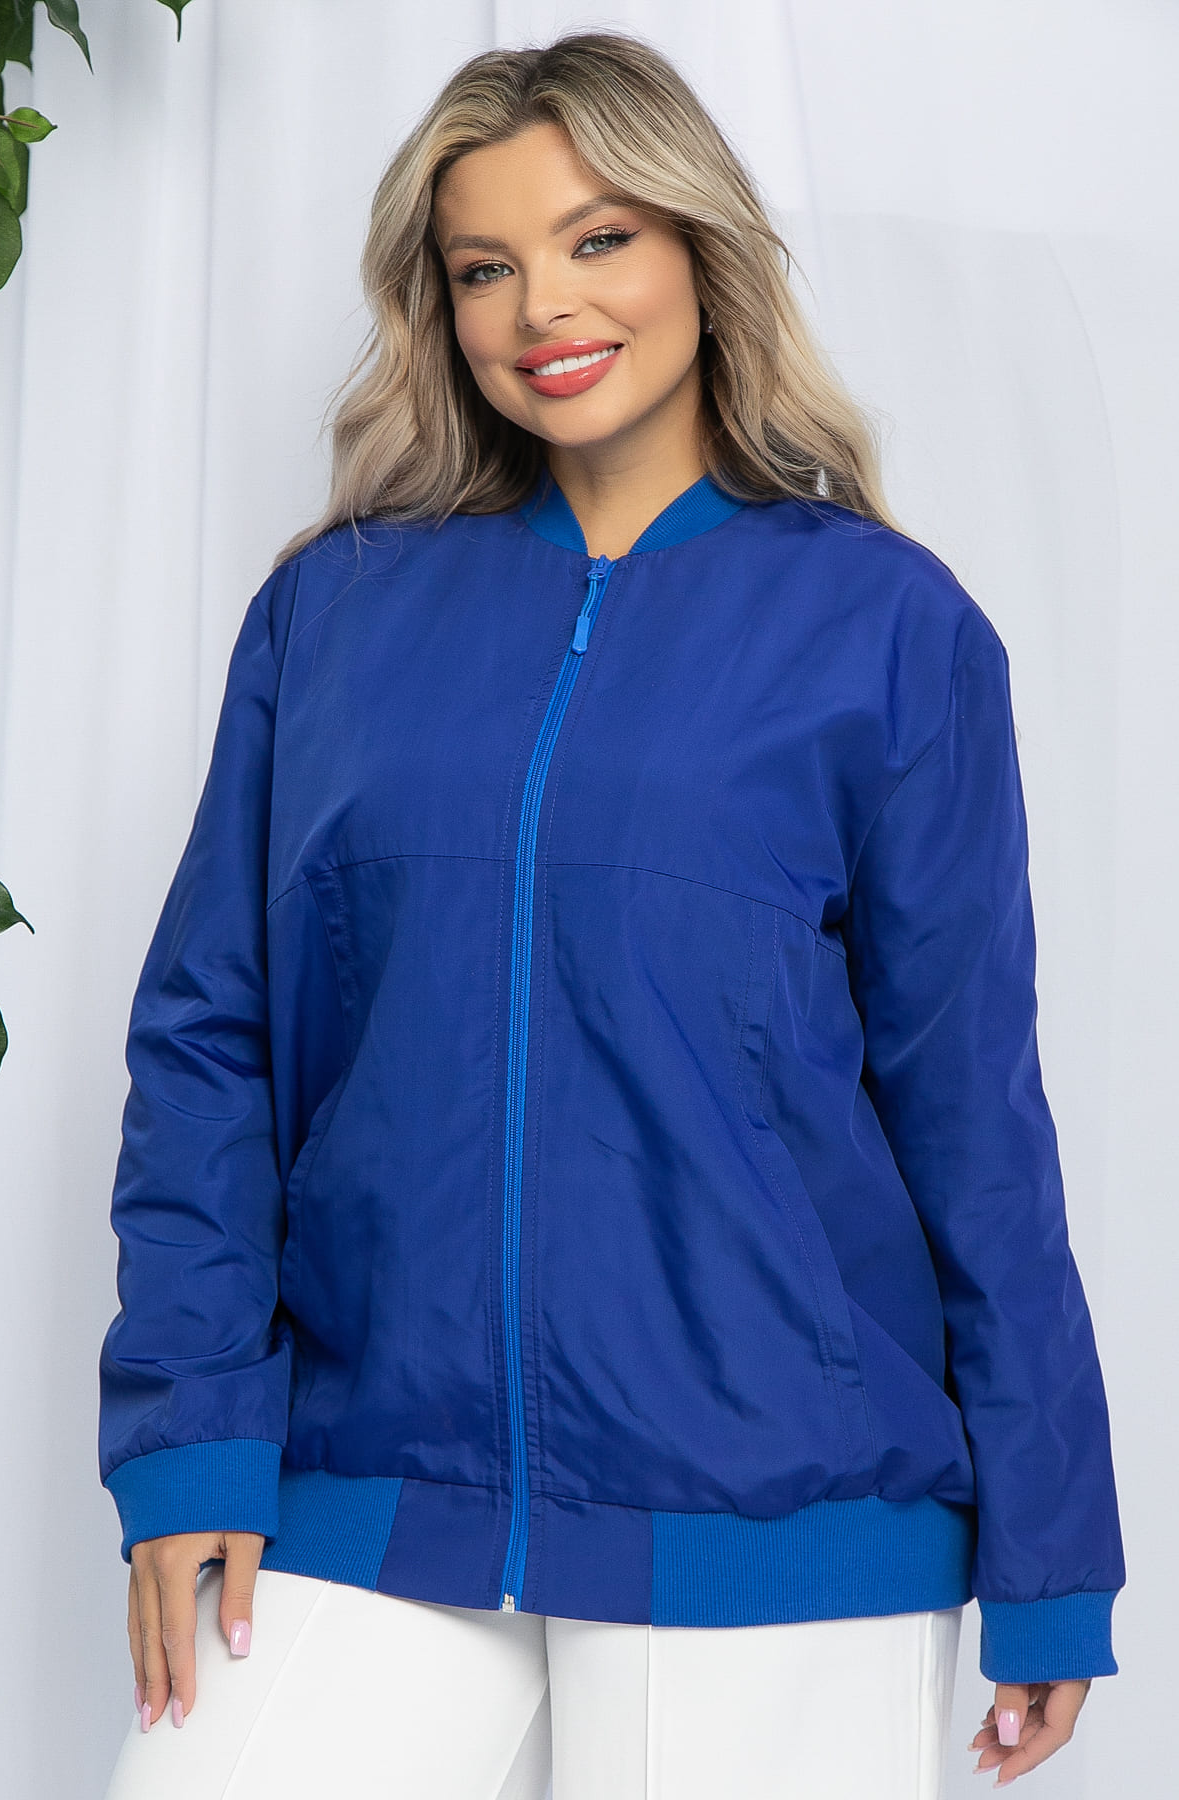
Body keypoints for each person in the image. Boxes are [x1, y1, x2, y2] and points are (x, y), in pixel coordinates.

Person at [96, 28, 1125, 1800]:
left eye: (597, 239)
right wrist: (191, 1441)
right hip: (371, 1473)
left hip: (775, 1502)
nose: (541, 308)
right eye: (483, 265)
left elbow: (972, 1109)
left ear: (701, 251)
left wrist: (1052, 1549)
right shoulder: (332, 617)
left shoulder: (887, 628)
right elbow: (211, 1043)